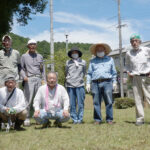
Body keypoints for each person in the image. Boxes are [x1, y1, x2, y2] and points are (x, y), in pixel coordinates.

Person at [86, 43, 117, 125]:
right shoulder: (92, 61)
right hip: (95, 83)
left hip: (107, 82)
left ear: (105, 50)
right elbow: (89, 73)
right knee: (96, 102)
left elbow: (114, 72)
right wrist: (88, 83)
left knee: (109, 101)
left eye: (101, 50)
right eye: (98, 50)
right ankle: (97, 119)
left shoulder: (110, 60)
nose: (100, 51)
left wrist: (114, 82)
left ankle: (109, 119)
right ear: (95, 51)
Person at [125, 34, 150, 126]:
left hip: (147, 77)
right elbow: (127, 64)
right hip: (135, 78)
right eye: (132, 41)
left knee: (149, 97)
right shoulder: (128, 53)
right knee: (138, 99)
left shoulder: (146, 50)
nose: (134, 43)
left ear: (140, 41)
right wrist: (128, 72)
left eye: (136, 40)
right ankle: (140, 119)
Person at [20, 39, 45, 126]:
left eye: (34, 44)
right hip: (29, 79)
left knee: (39, 99)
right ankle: (26, 118)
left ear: (36, 46)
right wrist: (24, 77)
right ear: (28, 46)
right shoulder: (24, 56)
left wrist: (44, 80)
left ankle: (38, 118)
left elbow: (43, 69)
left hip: (38, 79)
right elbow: (21, 68)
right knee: (28, 99)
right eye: (31, 44)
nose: (33, 46)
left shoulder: (40, 56)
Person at [65, 46, 86, 124]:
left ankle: (80, 119)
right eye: (73, 53)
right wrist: (68, 79)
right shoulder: (68, 62)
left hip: (80, 85)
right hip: (70, 85)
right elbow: (66, 72)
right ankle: (74, 119)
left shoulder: (83, 62)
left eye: (76, 52)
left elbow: (84, 72)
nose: (74, 54)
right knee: (72, 103)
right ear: (71, 54)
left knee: (81, 103)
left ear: (78, 53)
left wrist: (80, 79)